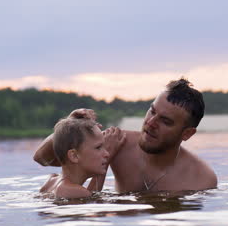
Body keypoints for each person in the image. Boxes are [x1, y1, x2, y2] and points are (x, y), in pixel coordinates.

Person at [34, 78, 217, 193]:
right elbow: (42, 159)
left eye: (165, 121)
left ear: (187, 134)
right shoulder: (117, 142)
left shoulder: (202, 179)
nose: (151, 123)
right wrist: (69, 123)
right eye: (152, 111)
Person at [38, 117, 110, 198]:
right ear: (74, 156)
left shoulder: (51, 181)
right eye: (98, 147)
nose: (107, 154)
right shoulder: (72, 191)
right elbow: (92, 199)